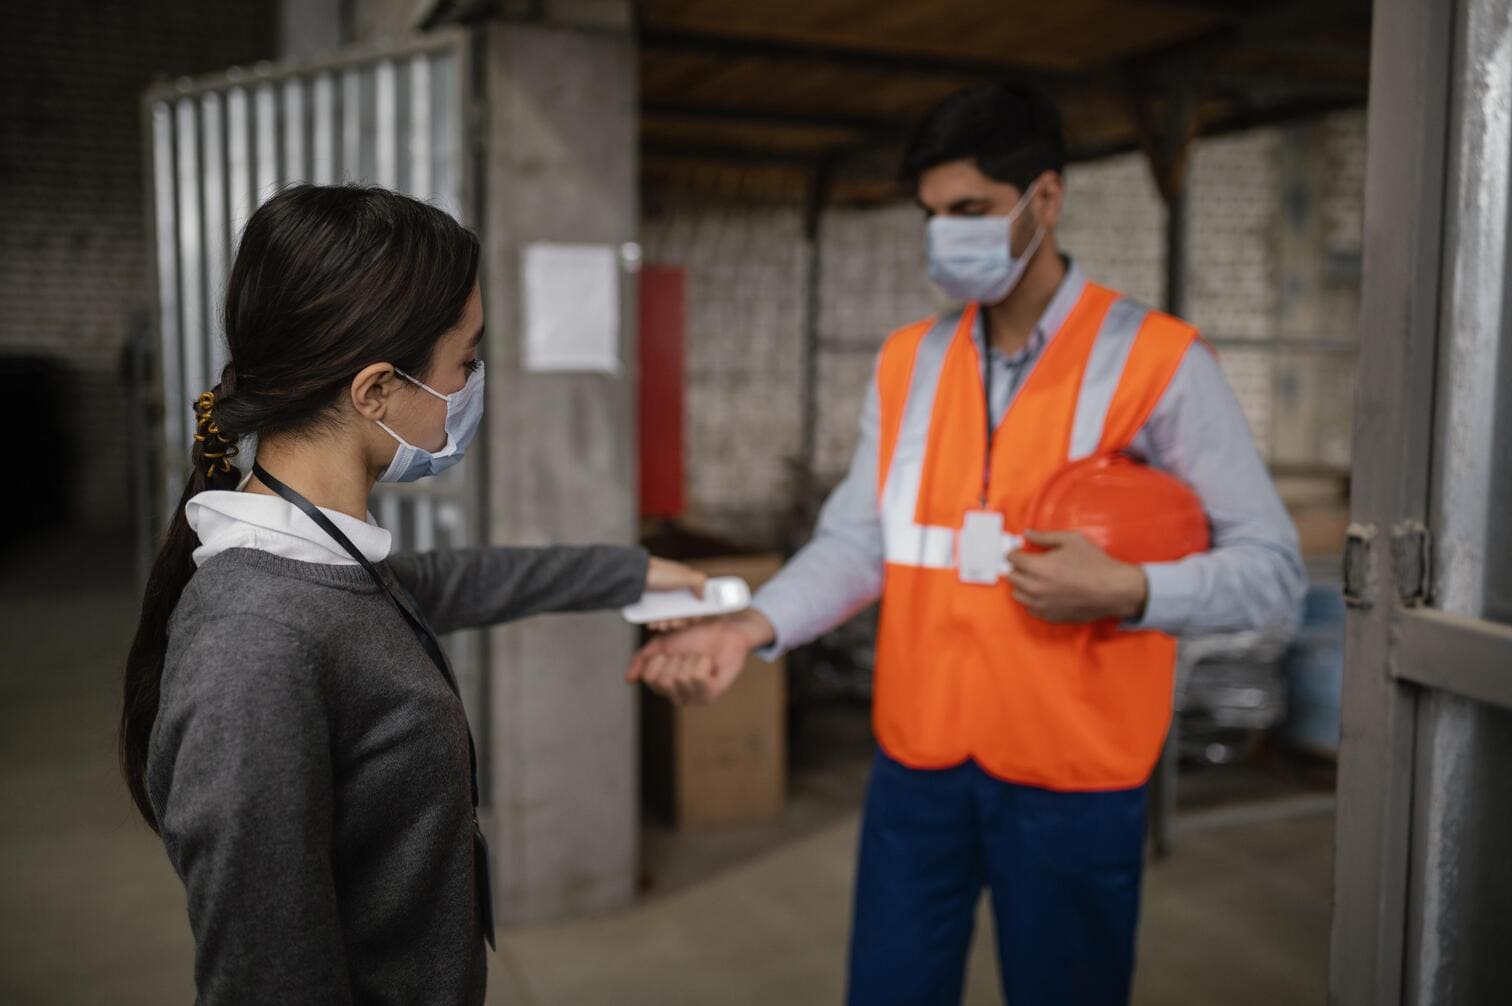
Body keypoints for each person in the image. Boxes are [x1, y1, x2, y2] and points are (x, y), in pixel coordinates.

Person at [628, 83, 1306, 1006]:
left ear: (1046, 199)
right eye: (933, 215)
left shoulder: (1158, 362)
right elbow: (859, 541)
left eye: (971, 211)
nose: (946, 235)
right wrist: (748, 627)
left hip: (1074, 775)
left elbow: (1272, 573)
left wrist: (1134, 590)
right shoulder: (908, 361)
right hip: (921, 766)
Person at [119, 184, 705, 1005]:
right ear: (375, 392)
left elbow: (451, 582)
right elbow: (266, 980)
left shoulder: (320, 561)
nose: (471, 386)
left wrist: (631, 574)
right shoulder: (253, 645)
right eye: (464, 363)